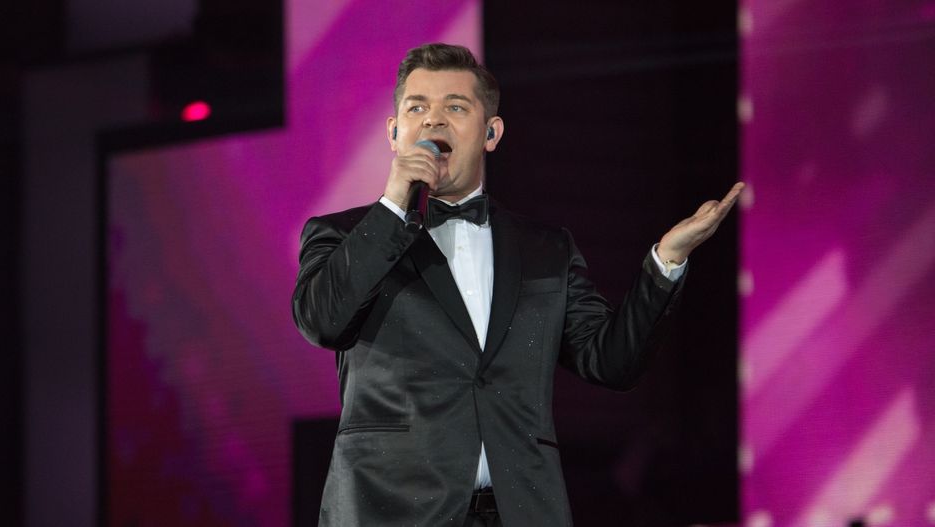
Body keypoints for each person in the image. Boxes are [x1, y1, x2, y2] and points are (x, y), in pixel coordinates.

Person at [292, 43, 743, 527]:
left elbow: (611, 360)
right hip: (390, 510)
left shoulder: (544, 249)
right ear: (394, 132)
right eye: (417, 108)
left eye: (455, 107)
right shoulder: (342, 235)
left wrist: (667, 260)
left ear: (491, 133)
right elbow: (322, 322)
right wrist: (392, 208)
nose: (433, 119)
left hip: (520, 509)